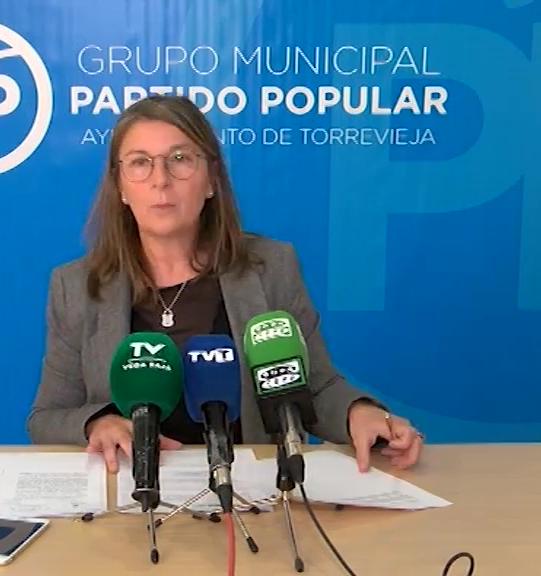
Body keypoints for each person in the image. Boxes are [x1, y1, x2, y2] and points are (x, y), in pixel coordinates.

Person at [26, 95, 424, 474]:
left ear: (211, 180)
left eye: (180, 159)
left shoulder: (270, 267)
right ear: (121, 188)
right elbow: (47, 417)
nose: (160, 180)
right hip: (133, 491)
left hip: (252, 495)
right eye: (140, 162)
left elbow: (314, 387)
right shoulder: (76, 286)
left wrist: (360, 413)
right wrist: (96, 423)